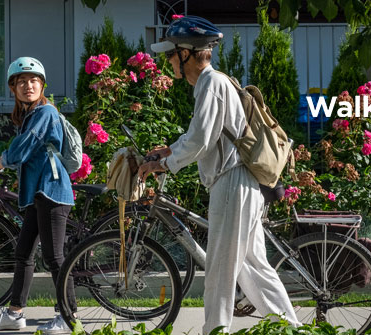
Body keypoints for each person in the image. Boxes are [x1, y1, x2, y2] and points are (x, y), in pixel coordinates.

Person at [138, 16, 301, 335]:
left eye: (170, 53)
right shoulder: (215, 83)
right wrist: (169, 151)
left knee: (219, 272)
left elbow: (200, 140)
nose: (168, 61)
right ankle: (291, 329)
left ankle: (215, 331)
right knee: (253, 269)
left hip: (232, 185)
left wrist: (162, 164)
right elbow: (205, 134)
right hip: (241, 184)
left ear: (186, 52)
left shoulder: (210, 84)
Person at [0, 56, 76, 334]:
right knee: (23, 253)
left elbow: (23, 148)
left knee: (55, 257)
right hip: (38, 194)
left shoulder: (45, 112)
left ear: (42, 86)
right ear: (13, 88)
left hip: (52, 191)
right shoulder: (30, 116)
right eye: (21, 82)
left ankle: (68, 317)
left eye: (34, 81)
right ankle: (15, 314)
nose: (28, 85)